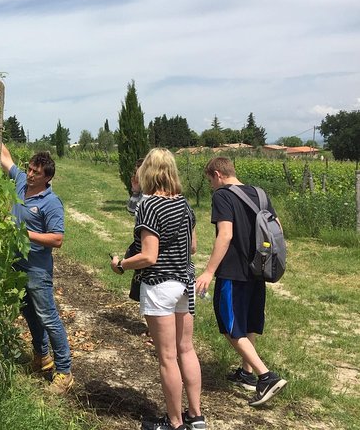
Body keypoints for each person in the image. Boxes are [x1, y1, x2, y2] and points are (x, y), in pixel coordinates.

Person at [111, 148, 205, 430]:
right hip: (184, 283)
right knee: (186, 349)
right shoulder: (183, 204)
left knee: (167, 357)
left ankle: (174, 422)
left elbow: (149, 256)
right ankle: (195, 416)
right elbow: (193, 247)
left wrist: (122, 264)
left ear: (147, 172)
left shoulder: (149, 206)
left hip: (160, 284)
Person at [196, 156, 287, 407]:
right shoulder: (260, 193)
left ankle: (265, 376)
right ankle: (247, 373)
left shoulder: (222, 196)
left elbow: (225, 234)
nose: (211, 186)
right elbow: (276, 226)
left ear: (217, 174)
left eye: (210, 181)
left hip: (233, 272)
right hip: (258, 269)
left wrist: (209, 271)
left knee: (229, 325)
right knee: (247, 322)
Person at [0, 143, 73, 394]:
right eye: (29, 169)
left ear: (48, 177)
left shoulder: (51, 203)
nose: (30, 175)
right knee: (29, 313)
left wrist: (25, 233)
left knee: (48, 317)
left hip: (37, 269)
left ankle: (64, 371)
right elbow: (5, 157)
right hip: (17, 265)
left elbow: (57, 239)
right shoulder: (21, 182)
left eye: (36, 172)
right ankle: (42, 357)